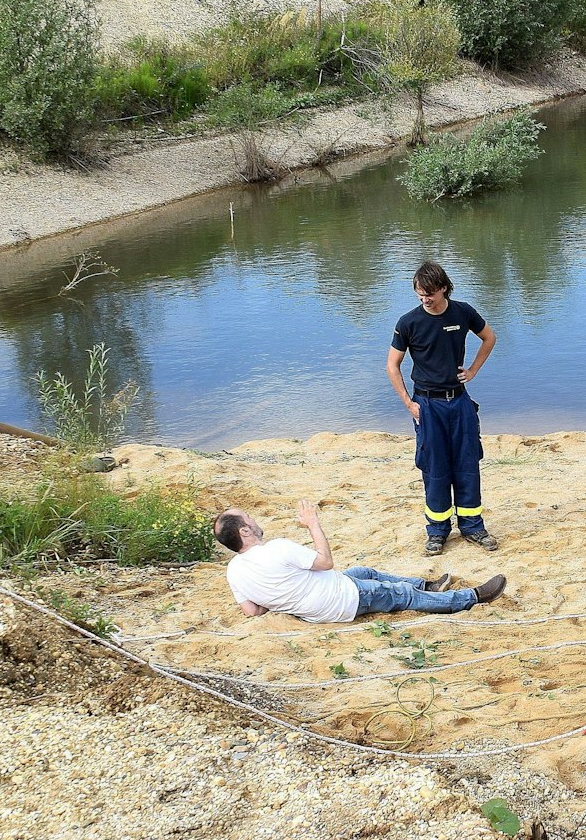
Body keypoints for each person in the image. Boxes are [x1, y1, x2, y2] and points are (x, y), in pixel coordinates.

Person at [214, 501, 505, 623]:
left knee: (363, 571)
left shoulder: (234, 571)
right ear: (245, 531)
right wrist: (313, 524)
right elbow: (325, 562)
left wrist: (277, 593)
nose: (254, 518)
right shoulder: (276, 548)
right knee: (399, 595)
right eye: (248, 518)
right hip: (340, 600)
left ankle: (429, 584)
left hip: (317, 606)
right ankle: (472, 597)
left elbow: (252, 611)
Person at [388, 261, 499, 557]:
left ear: (444, 288)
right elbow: (392, 365)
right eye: (419, 293)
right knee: (435, 468)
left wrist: (473, 370)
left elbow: (489, 337)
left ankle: (473, 526)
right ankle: (437, 532)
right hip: (426, 404)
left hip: (459, 401)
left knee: (467, 463)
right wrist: (409, 404)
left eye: (430, 294)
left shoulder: (462, 312)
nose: (425, 299)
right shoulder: (408, 322)